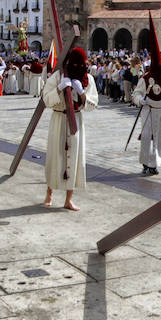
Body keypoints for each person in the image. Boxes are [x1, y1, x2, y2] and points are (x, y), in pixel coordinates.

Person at [43, 47, 98, 210]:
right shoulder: (58, 77)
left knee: (74, 158)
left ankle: (68, 199)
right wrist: (59, 88)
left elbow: (92, 105)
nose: (76, 67)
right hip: (59, 119)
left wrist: (82, 93)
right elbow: (46, 99)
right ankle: (49, 193)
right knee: (55, 156)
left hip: (76, 120)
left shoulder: (87, 79)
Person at [132, 15, 161, 176]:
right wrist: (141, 100)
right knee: (146, 137)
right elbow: (136, 94)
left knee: (159, 138)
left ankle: (154, 164)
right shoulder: (145, 78)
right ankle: (145, 162)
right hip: (148, 109)